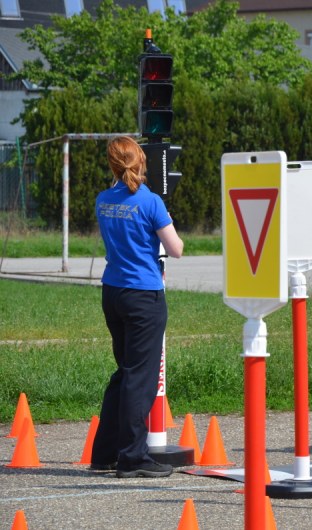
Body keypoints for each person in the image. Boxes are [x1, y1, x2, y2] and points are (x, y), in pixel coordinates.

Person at [91, 136, 184, 479]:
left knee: (125, 372)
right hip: (144, 295)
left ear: (112, 165)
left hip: (113, 291)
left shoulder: (103, 200)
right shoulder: (150, 201)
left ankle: (105, 452)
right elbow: (175, 249)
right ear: (141, 161)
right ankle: (132, 456)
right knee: (140, 379)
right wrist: (167, 221)